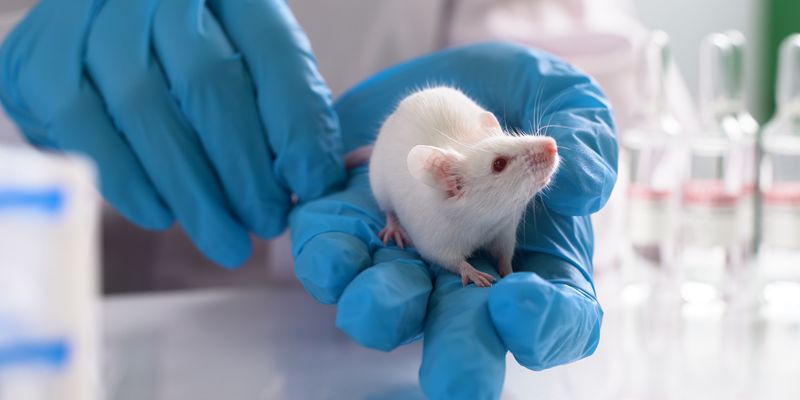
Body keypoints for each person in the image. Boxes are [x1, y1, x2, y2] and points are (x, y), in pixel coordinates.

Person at [0, 1, 617, 398]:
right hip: (158, 333)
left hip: (388, 367)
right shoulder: (442, 187)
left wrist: (562, 103)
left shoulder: (477, 163)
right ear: (450, 182)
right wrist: (24, 54)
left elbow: (627, 82)